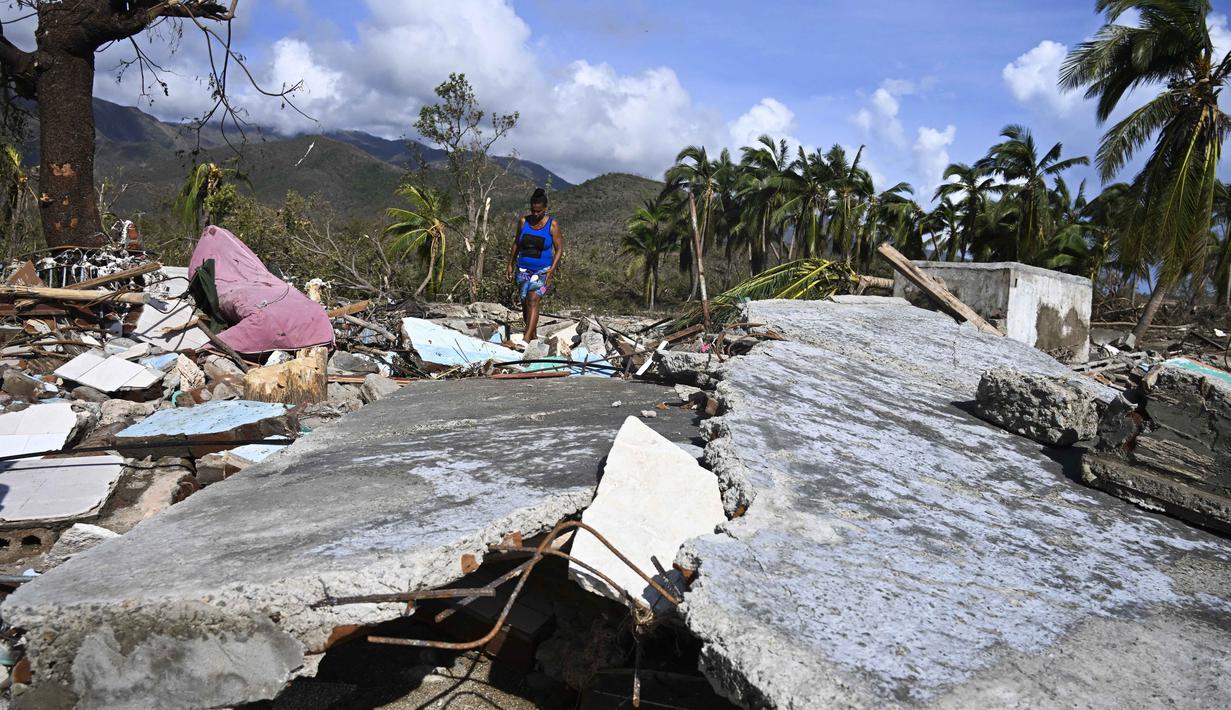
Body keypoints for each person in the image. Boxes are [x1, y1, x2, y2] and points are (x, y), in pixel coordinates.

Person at [506, 188, 562, 342]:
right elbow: (517, 242)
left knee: (533, 300)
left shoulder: (552, 225)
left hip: (543, 271)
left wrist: (552, 270)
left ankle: (525, 339)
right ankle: (534, 336)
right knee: (524, 302)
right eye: (533, 210)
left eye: (539, 211)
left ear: (545, 209)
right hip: (523, 269)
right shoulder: (523, 222)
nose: (535, 214)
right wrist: (510, 264)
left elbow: (559, 249)